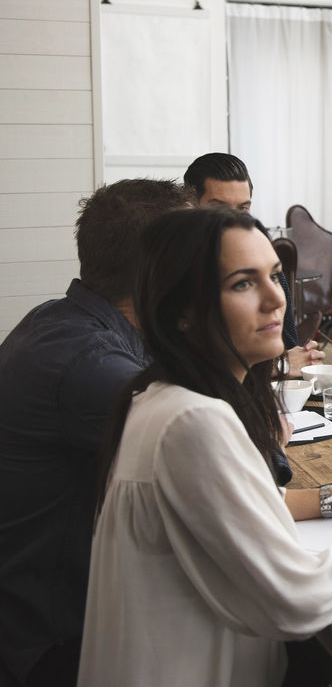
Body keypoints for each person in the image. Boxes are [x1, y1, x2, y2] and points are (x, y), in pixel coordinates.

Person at [78, 207, 332, 687]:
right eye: (242, 283)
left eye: (274, 276)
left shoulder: (161, 396)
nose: (276, 299)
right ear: (182, 313)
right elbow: (297, 599)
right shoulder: (193, 420)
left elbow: (239, 506)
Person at [0, 179, 188, 687]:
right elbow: (234, 471)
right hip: (58, 643)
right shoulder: (93, 367)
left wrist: (330, 499)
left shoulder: (62, 321)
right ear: (163, 274)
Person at [184, 152, 325, 378]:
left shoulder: (268, 271)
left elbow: (286, 349)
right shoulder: (177, 274)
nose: (232, 219)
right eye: (218, 208)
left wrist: (298, 360)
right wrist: (281, 366)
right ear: (191, 206)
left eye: (242, 209)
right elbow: (188, 367)